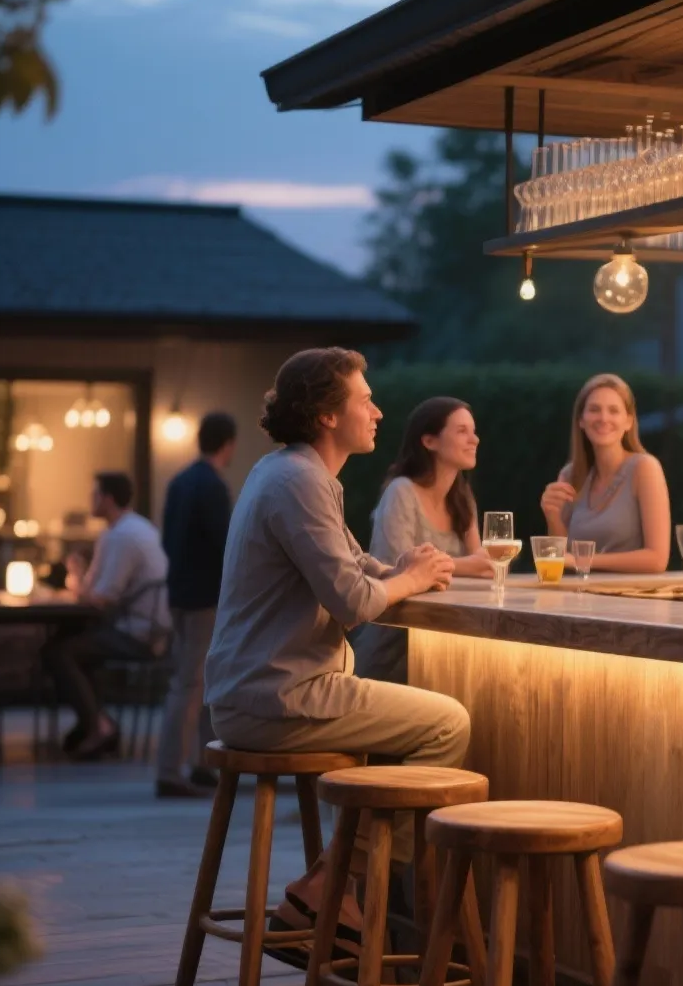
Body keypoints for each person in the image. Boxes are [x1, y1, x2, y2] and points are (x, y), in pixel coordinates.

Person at [204, 347, 463, 934]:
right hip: (277, 696)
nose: (377, 410)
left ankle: (331, 888)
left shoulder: (287, 470)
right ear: (326, 414)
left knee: (407, 732)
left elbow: (350, 562)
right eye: (364, 399)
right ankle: (334, 886)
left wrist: (403, 568)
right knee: (448, 724)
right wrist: (410, 578)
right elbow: (352, 602)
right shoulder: (300, 481)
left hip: (255, 691)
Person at [356, 397, 493, 682]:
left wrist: (440, 567)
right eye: (461, 431)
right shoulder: (401, 492)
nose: (474, 439)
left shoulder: (462, 498)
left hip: (446, 634)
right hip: (395, 642)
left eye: (474, 430)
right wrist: (464, 565)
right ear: (429, 441)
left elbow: (485, 567)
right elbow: (398, 569)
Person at [42, 471, 171, 759]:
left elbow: (101, 598)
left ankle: (98, 726)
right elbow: (94, 590)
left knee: (59, 652)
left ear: (108, 499)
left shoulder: (124, 535)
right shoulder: (123, 530)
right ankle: (97, 723)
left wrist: (75, 580)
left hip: (139, 633)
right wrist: (78, 576)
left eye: (95, 494)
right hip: (140, 627)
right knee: (65, 645)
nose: (91, 500)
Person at [153, 412, 237, 798]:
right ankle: (172, 771)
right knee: (191, 682)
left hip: (180, 593)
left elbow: (167, 541)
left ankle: (203, 764)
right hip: (206, 595)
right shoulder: (213, 487)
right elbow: (226, 547)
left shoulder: (180, 482)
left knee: (200, 679)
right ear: (228, 444)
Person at [539, 373, 672, 573]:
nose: (603, 418)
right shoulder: (570, 474)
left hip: (632, 599)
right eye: (594, 410)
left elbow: (657, 559)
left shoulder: (644, 468)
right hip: (579, 596)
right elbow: (560, 557)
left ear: (628, 422)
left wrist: (582, 560)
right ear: (581, 421)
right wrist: (552, 516)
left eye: (613, 411)